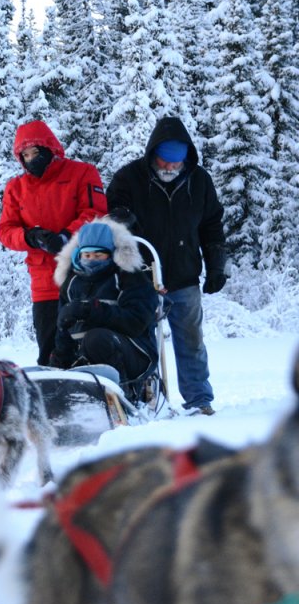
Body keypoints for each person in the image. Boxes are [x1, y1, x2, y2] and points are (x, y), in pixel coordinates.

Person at [106, 116, 228, 416]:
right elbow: (111, 213)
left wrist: (217, 265)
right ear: (152, 155)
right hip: (143, 277)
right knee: (143, 342)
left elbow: (212, 225)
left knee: (191, 342)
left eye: (177, 163)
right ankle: (148, 399)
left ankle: (199, 400)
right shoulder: (129, 178)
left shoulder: (199, 181)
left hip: (185, 275)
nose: (170, 168)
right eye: (164, 162)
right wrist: (121, 217)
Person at [0, 120, 107, 366]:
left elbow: (95, 212)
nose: (30, 159)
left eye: (35, 152)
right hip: (43, 281)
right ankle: (53, 401)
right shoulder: (16, 187)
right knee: (49, 352)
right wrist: (30, 237)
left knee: (89, 345)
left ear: (50, 148)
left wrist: (67, 236)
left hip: (84, 274)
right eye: (24, 155)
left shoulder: (82, 173)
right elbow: (6, 230)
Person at [49, 218, 159, 394]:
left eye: (98, 256)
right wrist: (58, 362)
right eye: (87, 255)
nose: (92, 260)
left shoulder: (128, 277)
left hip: (135, 353)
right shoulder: (71, 284)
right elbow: (63, 331)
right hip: (85, 355)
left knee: (96, 339)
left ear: (111, 254)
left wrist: (92, 310)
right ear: (79, 255)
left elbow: (136, 322)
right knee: (55, 357)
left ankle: (126, 394)